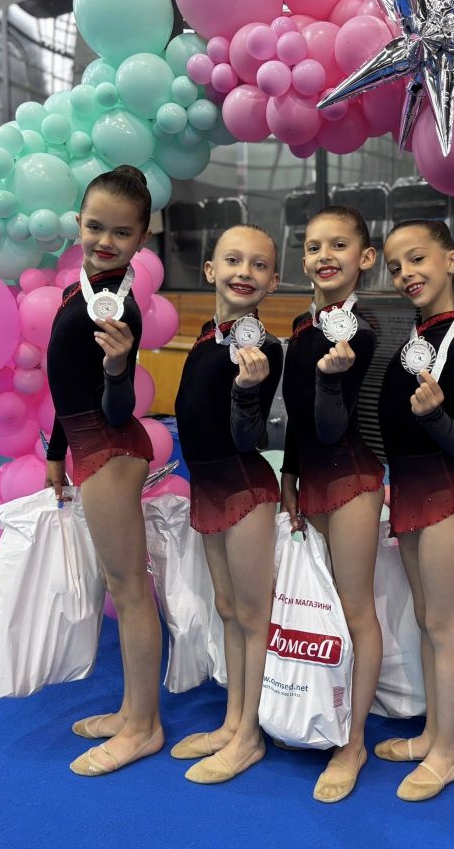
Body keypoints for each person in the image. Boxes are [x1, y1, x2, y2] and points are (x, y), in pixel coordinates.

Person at [45, 165, 161, 776]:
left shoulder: (122, 310)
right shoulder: (85, 288)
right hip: (87, 446)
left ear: (143, 238)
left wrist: (119, 368)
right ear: (79, 223)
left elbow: (118, 409)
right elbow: (66, 381)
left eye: (121, 232)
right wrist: (54, 451)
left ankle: (144, 727)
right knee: (121, 586)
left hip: (111, 449)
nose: (105, 241)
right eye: (95, 227)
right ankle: (130, 710)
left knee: (130, 590)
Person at [376, 220, 454, 802]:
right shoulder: (414, 340)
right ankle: (432, 734)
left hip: (444, 493)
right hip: (411, 489)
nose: (405, 274)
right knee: (427, 621)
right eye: (395, 267)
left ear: (451, 260)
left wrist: (435, 415)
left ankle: (450, 753)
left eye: (416, 259)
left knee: (443, 627)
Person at [171, 224, 283, 785]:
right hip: (207, 485)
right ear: (211, 270)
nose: (245, 272)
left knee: (253, 615)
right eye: (233, 260)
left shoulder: (264, 348)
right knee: (228, 607)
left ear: (273, 281)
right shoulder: (205, 336)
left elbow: (249, 437)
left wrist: (246, 391)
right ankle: (233, 719)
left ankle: (249, 735)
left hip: (245, 487)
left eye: (258, 265)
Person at [281, 205, 385, 803]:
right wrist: (289, 474)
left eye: (339, 245)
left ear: (364, 258)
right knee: (321, 608)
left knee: (355, 611)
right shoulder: (302, 324)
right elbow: (298, 420)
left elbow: (331, 425)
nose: (325, 255)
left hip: (351, 479)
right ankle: (323, 708)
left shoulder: (359, 332)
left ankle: (354, 742)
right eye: (314, 246)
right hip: (312, 480)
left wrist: (329, 378)